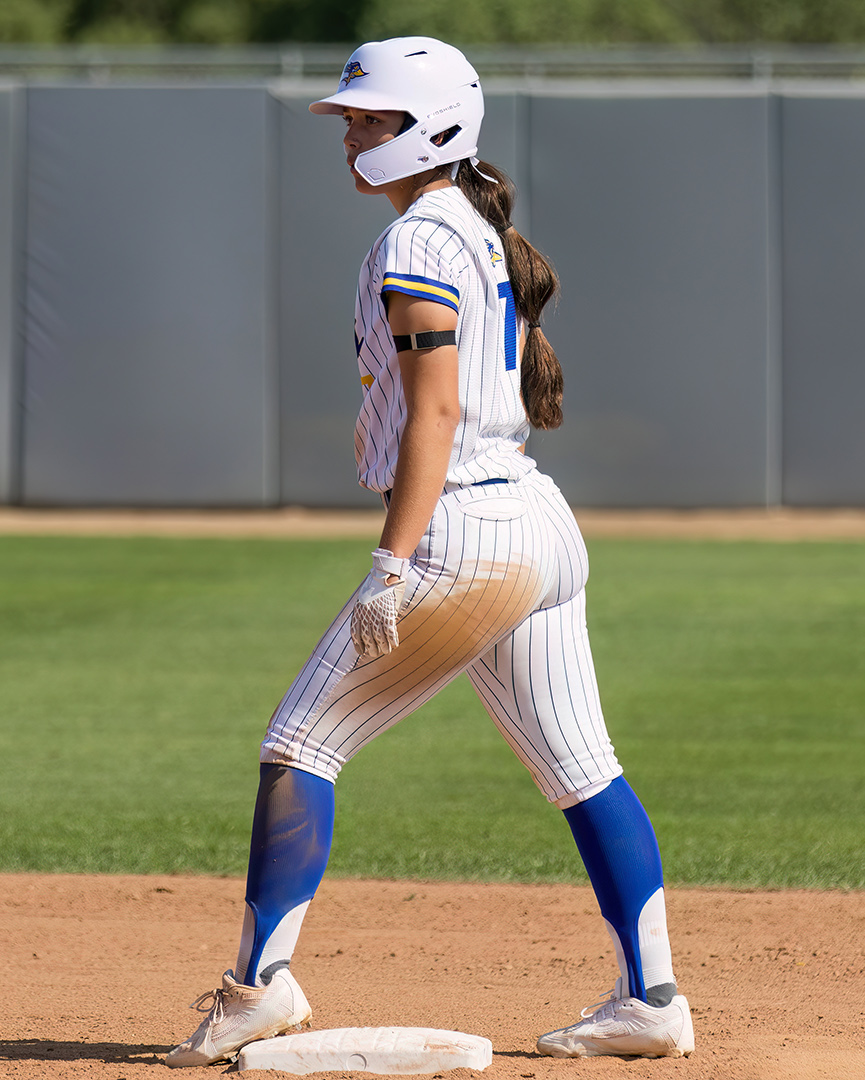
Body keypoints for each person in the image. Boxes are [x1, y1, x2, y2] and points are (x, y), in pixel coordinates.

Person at [163, 37, 695, 1067]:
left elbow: (435, 409)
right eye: (356, 118)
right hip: (537, 523)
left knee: (301, 746)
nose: (353, 132)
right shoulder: (468, 229)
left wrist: (395, 560)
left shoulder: (417, 243)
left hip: (464, 531)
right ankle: (652, 998)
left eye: (372, 118)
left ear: (432, 128)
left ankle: (259, 985)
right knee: (585, 769)